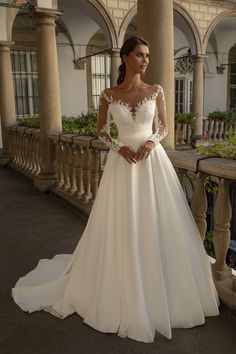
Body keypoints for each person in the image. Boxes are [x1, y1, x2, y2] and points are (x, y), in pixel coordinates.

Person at [12, 36, 219, 343]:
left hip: (151, 163)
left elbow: (163, 126)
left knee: (157, 221)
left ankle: (158, 282)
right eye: (139, 55)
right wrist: (119, 147)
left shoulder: (156, 90)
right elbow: (100, 131)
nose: (146, 60)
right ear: (125, 58)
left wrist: (151, 141)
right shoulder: (109, 94)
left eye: (148, 55)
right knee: (123, 222)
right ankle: (124, 282)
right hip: (123, 166)